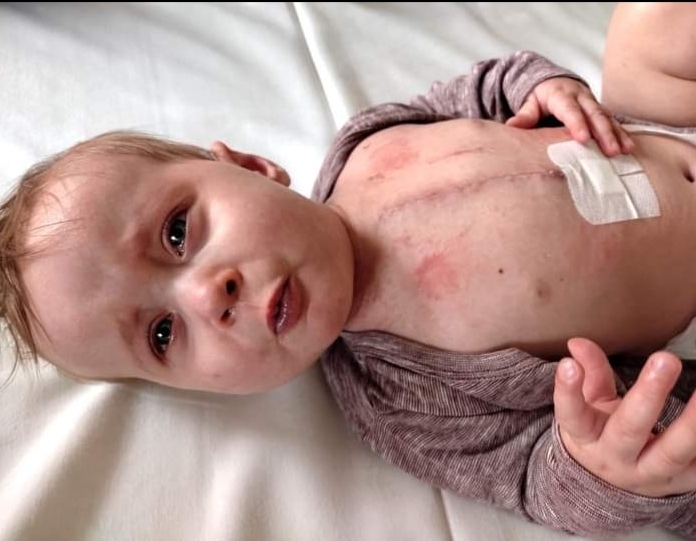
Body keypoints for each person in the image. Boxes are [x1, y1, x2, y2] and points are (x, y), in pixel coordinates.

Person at [2, 1, 696, 538]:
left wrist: (546, 86)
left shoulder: (367, 142)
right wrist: (595, 463)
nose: (209, 295)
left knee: (648, 25)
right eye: (162, 333)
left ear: (249, 165)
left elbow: (485, 90)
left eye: (177, 232)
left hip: (655, 120)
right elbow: (530, 478)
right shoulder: (399, 399)